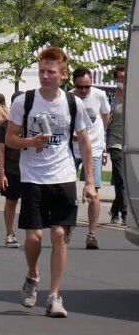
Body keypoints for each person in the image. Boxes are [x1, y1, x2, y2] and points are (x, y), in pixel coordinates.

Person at [7, 46, 96, 318]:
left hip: (63, 175)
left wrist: (89, 181)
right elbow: (10, 139)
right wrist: (30, 142)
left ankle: (55, 296)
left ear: (63, 74)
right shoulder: (25, 101)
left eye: (51, 72)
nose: (45, 76)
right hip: (33, 176)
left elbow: (84, 142)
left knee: (59, 234)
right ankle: (33, 274)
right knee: (34, 237)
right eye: (42, 71)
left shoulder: (72, 103)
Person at [69, 68, 110, 250]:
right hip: (72, 149)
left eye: (87, 87)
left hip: (93, 148)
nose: (84, 91)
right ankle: (66, 225)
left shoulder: (100, 95)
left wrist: (99, 142)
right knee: (66, 190)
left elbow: (105, 116)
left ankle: (91, 234)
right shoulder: (68, 97)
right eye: (80, 87)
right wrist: (72, 133)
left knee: (93, 192)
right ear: (74, 84)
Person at [0, 95, 22, 248]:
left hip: (32, 169)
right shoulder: (5, 125)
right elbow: (0, 150)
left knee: (34, 203)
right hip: (12, 169)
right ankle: (10, 234)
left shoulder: (33, 122)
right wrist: (1, 173)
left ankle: (33, 234)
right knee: (11, 201)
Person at [107, 70, 126, 226]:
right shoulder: (110, 99)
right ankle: (125, 213)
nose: (122, 79)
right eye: (119, 77)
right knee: (119, 177)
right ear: (115, 79)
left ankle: (115, 208)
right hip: (114, 142)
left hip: (129, 143)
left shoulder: (133, 97)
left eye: (124, 77)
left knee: (124, 180)